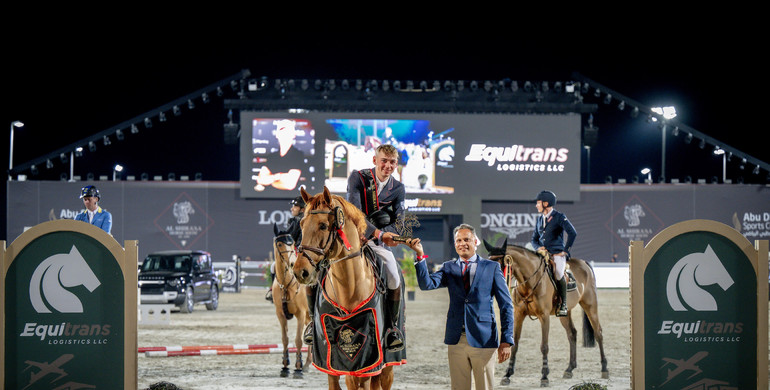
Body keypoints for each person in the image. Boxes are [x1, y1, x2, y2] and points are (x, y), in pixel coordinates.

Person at [303, 144, 406, 353]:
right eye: (384, 161)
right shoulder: (357, 178)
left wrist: (389, 234)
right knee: (318, 270)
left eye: (392, 162)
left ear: (396, 165)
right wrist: (377, 233)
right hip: (351, 237)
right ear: (375, 161)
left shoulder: (398, 188)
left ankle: (392, 329)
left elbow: (400, 219)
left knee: (394, 275)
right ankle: (313, 323)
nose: (388, 165)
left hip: (379, 243)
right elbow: (354, 212)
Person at [405, 224, 513, 390]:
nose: (462, 243)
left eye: (466, 239)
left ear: (475, 241)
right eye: (458, 240)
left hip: (484, 339)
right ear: (455, 244)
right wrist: (420, 256)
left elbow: (506, 305)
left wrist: (506, 340)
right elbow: (427, 284)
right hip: (456, 340)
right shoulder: (448, 267)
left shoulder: (492, 268)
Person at [530, 190, 577, 317]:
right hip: (543, 254)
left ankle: (563, 304)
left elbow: (572, 233)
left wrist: (565, 251)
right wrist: (539, 247)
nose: (536, 205)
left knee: (558, 274)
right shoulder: (540, 219)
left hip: (557, 254)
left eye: (538, 203)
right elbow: (533, 239)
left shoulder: (559, 217)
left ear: (546, 203)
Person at [266, 196, 305, 302]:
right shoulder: (300, 219)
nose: (292, 208)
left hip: (299, 250)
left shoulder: (296, 220)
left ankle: (273, 290)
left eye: (295, 206)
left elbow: (290, 238)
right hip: (300, 250)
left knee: (274, 267)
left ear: (302, 209)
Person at [253, 119, 303, 192]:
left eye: (288, 131)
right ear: (277, 134)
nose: (285, 133)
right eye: (282, 130)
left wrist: (270, 180)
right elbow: (260, 180)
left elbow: (290, 184)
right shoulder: (272, 157)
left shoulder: (298, 155)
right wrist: (279, 176)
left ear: (293, 134)